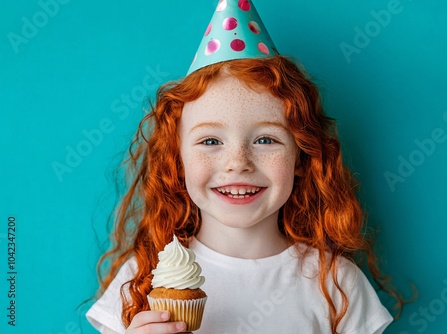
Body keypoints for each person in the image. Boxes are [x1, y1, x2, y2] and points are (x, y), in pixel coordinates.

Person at [87, 1, 403, 333]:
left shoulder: (338, 285)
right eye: (210, 141)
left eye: (266, 140)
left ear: (301, 157)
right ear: (177, 160)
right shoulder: (141, 277)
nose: (237, 163)